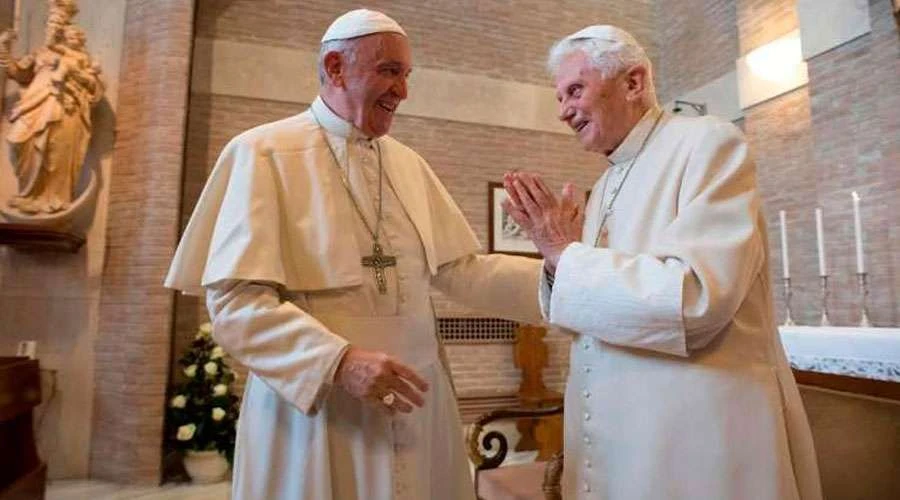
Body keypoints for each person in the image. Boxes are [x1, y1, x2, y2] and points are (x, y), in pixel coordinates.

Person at [165, 9, 542, 500]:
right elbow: (237, 307)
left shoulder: (409, 165)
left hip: (418, 405)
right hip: (319, 413)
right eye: (389, 71)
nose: (402, 91)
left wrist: (562, 273)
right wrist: (338, 363)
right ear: (336, 66)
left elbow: (461, 270)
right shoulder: (261, 153)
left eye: (407, 76)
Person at [503, 25, 822, 500]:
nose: (563, 111)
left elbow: (695, 299)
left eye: (575, 90)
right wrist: (557, 265)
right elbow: (594, 315)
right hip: (625, 438)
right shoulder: (608, 182)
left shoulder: (707, 144)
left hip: (692, 442)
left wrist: (565, 255)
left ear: (633, 82)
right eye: (560, 96)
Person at [0, 0, 101, 215]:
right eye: (50, 23)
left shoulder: (77, 57)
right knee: (18, 141)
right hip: (33, 105)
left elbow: (94, 87)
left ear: (66, 29)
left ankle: (52, 198)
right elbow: (19, 73)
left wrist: (71, 72)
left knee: (56, 153)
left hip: (64, 110)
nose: (53, 28)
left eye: (59, 24)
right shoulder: (40, 54)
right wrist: (4, 48)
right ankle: (28, 194)